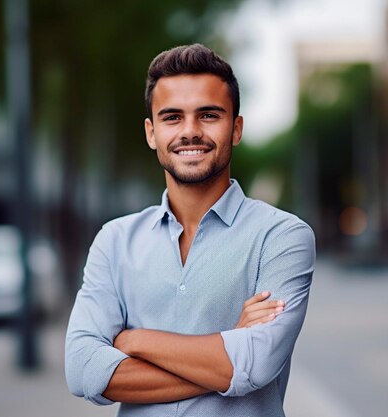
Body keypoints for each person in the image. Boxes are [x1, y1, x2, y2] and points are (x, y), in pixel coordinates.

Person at [65, 43, 315, 416]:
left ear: (236, 128)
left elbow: (257, 363)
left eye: (209, 115)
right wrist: (227, 350)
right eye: (172, 117)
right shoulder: (114, 241)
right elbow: (83, 371)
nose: (190, 131)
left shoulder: (281, 237)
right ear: (152, 133)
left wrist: (133, 339)